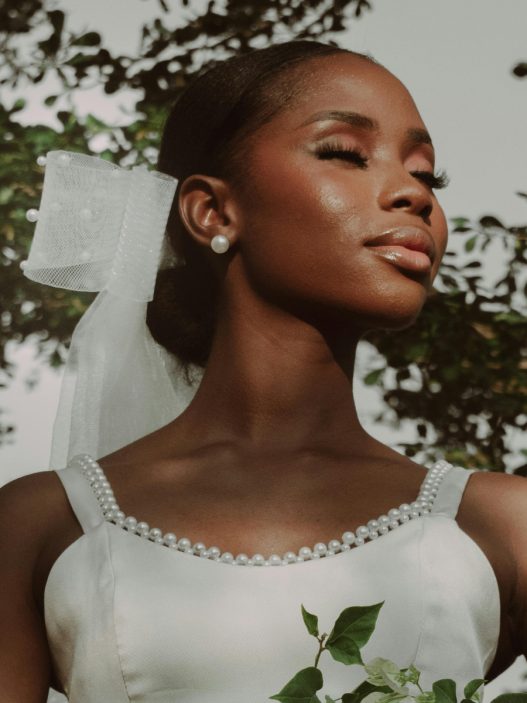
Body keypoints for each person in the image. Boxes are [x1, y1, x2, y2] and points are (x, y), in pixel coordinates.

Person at [0, 39, 525, 703]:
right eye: (344, 153)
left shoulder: (502, 524)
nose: (410, 194)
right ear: (212, 212)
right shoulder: (41, 525)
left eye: (427, 175)